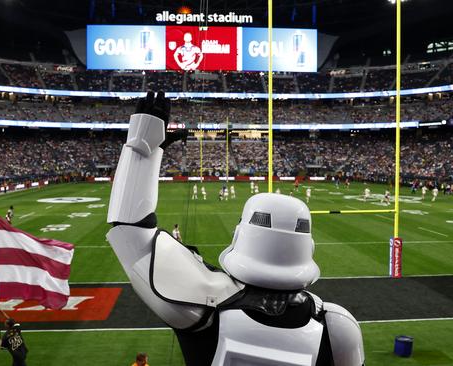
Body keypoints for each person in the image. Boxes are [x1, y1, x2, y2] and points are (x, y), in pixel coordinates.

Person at [106, 92, 364, 364]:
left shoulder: (201, 310)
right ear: (307, 247)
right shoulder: (338, 327)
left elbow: (129, 229)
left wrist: (143, 145)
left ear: (241, 235)